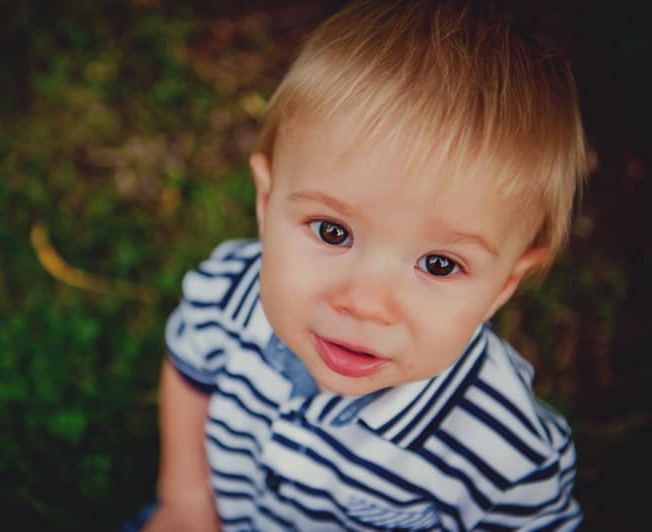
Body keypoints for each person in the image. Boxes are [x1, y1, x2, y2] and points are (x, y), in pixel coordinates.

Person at [143, 1, 587, 530]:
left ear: (504, 284)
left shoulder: (505, 458)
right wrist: (186, 497)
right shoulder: (227, 294)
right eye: (333, 231)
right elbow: (190, 372)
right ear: (266, 204)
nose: (365, 303)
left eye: (440, 264)